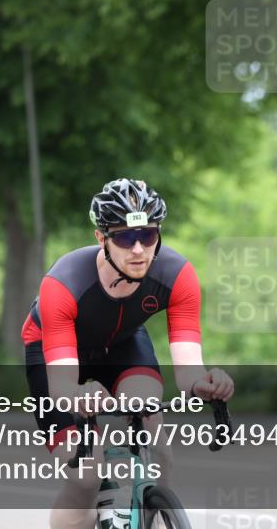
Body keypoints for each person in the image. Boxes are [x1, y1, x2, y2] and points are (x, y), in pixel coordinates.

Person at [21, 178, 234, 529]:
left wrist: (205, 385)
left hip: (122, 343)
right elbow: (61, 387)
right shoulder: (62, 283)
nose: (138, 249)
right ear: (101, 239)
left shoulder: (177, 274)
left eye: (147, 236)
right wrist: (78, 394)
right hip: (53, 354)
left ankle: (150, 515)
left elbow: (188, 373)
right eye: (123, 237)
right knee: (85, 477)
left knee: (154, 436)